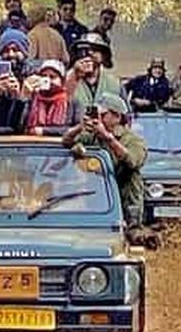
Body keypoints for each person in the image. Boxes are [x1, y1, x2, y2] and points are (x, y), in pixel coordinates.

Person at [62, 92, 147, 235]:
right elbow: (66, 141)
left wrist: (109, 139)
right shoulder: (93, 136)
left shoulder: (132, 139)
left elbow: (133, 161)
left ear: (117, 117)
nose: (98, 118)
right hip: (99, 200)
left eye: (103, 114)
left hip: (126, 200)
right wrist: (80, 126)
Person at [0, 28, 31, 130]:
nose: (10, 54)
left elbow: (26, 124)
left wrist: (20, 99)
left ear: (24, 52)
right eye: (6, 51)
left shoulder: (33, 78)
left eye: (15, 50)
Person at [22, 59, 81, 135]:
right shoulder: (32, 99)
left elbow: (77, 128)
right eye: (44, 76)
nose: (48, 80)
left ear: (62, 81)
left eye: (52, 77)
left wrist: (44, 131)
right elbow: (21, 126)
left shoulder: (71, 101)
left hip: (59, 144)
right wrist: (24, 96)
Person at [65, 35, 120, 111]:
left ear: (104, 56)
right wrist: (74, 74)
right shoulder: (68, 80)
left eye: (95, 49)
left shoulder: (114, 83)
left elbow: (126, 116)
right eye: (85, 50)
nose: (90, 53)